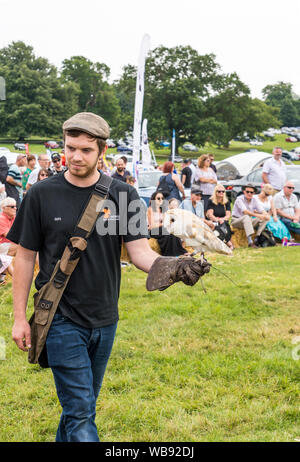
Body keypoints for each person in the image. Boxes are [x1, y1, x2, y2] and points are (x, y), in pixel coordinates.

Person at [9, 112, 206, 442]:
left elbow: (141, 253)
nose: (75, 156)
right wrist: (18, 318)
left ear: (102, 151)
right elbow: (26, 258)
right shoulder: (41, 195)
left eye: (85, 150)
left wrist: (175, 266)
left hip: (105, 319)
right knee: (81, 412)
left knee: (81, 408)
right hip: (59, 317)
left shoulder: (124, 196)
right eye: (70, 148)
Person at [147, 191, 186, 256]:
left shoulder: (163, 209)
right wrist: (165, 224)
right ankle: (172, 253)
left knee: (173, 231)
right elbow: (153, 226)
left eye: (162, 198)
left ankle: (178, 253)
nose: (161, 200)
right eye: (158, 198)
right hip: (154, 230)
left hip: (162, 229)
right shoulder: (150, 209)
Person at [206, 185, 234, 249]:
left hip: (223, 221)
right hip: (214, 221)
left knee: (225, 225)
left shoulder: (226, 202)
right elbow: (210, 214)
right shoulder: (211, 201)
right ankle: (229, 243)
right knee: (219, 226)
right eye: (219, 191)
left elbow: (228, 215)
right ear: (215, 192)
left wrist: (222, 219)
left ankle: (226, 243)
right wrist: (217, 220)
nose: (221, 193)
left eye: (223, 191)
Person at [0, 197, 18, 283]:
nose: (15, 208)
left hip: (7, 245)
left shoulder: (14, 218)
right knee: (24, 248)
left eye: (15, 206)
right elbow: (9, 235)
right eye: (12, 207)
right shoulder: (1, 218)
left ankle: (3, 278)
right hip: (2, 245)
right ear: (4, 208)